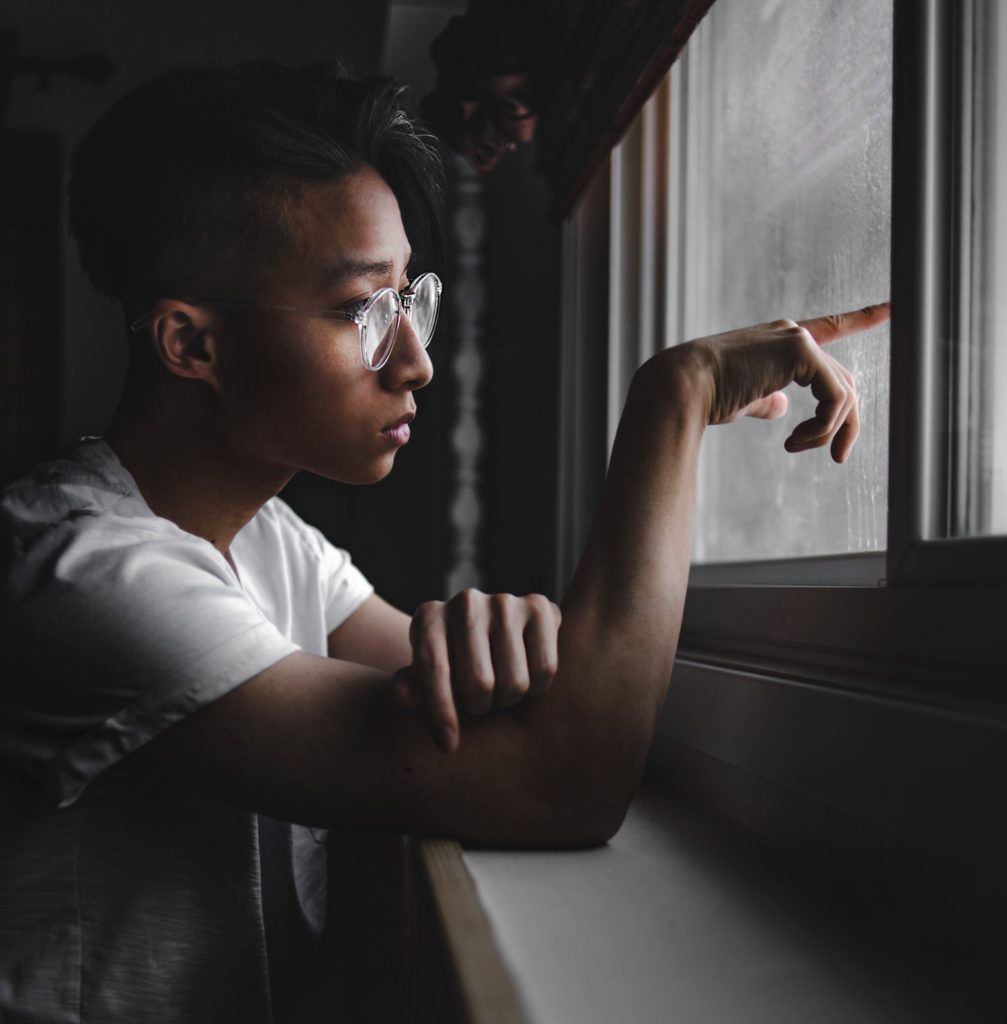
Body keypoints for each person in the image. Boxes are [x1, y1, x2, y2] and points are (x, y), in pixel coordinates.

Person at [0, 61, 888, 1023]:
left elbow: (536, 716)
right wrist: (672, 403)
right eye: (357, 311)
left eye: (407, 297)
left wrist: (505, 637)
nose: (416, 360)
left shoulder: (269, 542)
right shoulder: (83, 574)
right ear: (191, 345)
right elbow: (562, 782)